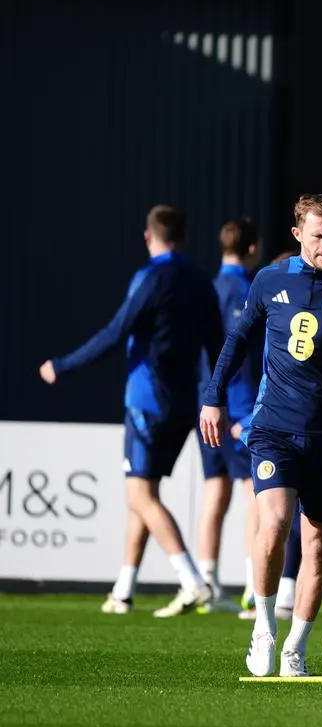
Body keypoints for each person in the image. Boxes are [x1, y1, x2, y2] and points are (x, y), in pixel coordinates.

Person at [200, 193, 322, 678]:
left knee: (317, 543)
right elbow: (238, 339)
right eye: (318, 234)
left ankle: (296, 647)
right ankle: (264, 628)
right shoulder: (269, 280)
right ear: (298, 234)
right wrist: (213, 394)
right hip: (274, 427)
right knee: (275, 525)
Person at [41, 205, 221, 616]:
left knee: (137, 493)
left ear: (148, 236)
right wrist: (215, 396)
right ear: (186, 237)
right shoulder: (200, 281)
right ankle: (123, 590)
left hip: (148, 400)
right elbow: (217, 344)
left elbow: (116, 330)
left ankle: (192, 580)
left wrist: (63, 365)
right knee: (144, 492)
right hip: (184, 402)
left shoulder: (151, 277)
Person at [193, 217, 261, 613]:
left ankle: (209, 584)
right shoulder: (242, 288)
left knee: (214, 492)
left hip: (206, 404)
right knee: (256, 492)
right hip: (235, 406)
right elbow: (236, 352)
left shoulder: (207, 287)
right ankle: (255, 584)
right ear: (252, 248)